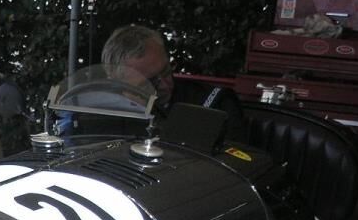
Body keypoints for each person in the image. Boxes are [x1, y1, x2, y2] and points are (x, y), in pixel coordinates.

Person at [101, 24, 248, 140]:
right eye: (150, 83)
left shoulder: (215, 105)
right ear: (118, 85)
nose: (165, 85)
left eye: (166, 71)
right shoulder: (97, 114)